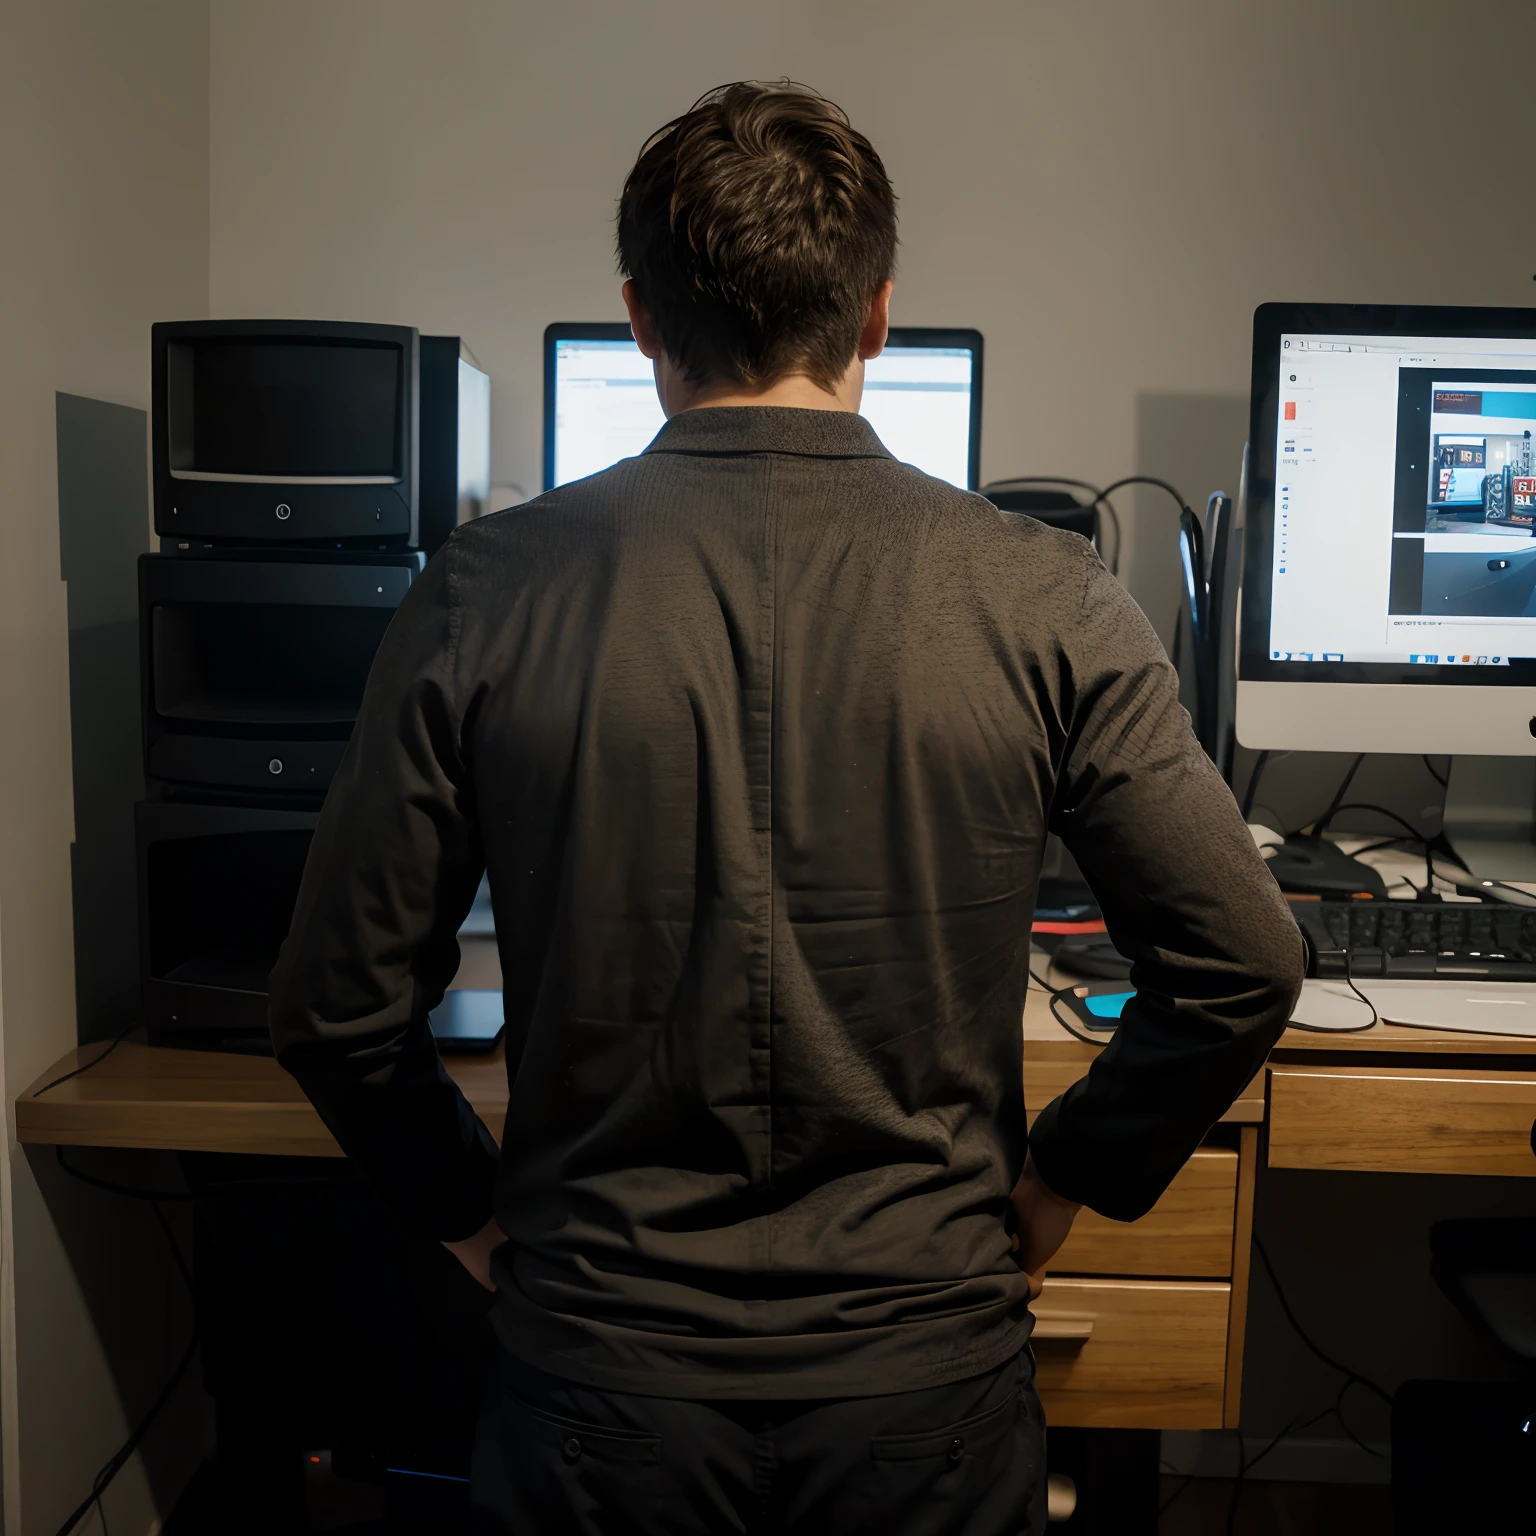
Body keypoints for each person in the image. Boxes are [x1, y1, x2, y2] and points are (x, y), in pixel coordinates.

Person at [270, 79, 1303, 1536]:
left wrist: (470, 1217)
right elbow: (1247, 961)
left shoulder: (485, 592)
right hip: (925, 1398)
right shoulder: (1048, 592)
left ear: (638, 320)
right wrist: (1064, 1181)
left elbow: (333, 1007)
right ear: (877, 315)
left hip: (597, 1398)